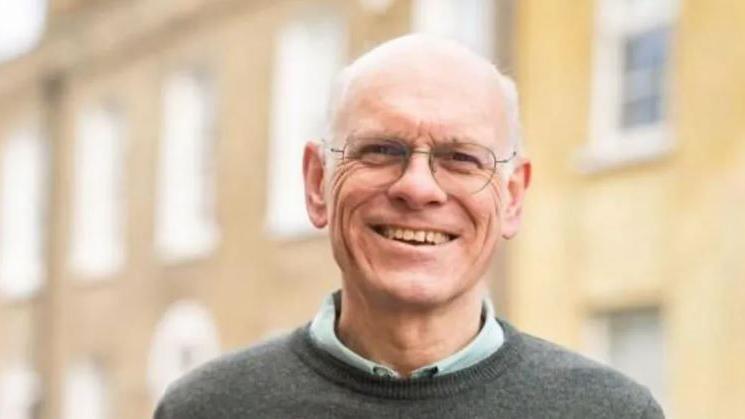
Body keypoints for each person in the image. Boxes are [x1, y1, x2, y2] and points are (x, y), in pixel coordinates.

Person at [154, 34, 664, 419]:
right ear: (317, 183)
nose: (417, 187)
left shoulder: (607, 413)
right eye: (380, 150)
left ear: (511, 197)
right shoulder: (209, 409)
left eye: (462, 158)